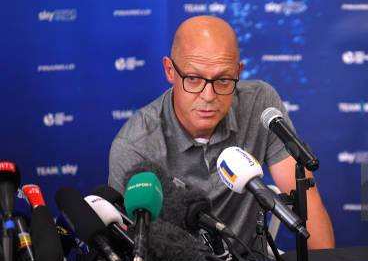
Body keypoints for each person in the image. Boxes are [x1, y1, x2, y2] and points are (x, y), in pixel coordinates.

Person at [108, 15, 335, 249]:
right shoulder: (134, 145)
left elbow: (306, 199)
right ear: (169, 70)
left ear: (238, 72)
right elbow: (131, 242)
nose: (208, 96)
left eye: (224, 80)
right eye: (194, 79)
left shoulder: (260, 103)